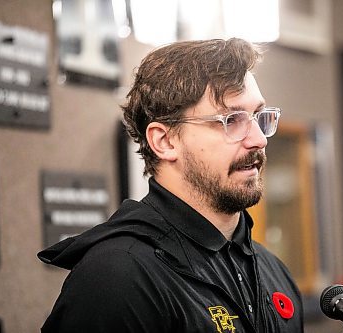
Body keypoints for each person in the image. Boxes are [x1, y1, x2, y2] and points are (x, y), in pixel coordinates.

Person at [38, 38, 304, 332]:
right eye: (232, 120)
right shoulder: (117, 278)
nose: (259, 140)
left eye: (257, 117)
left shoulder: (274, 272)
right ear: (165, 141)